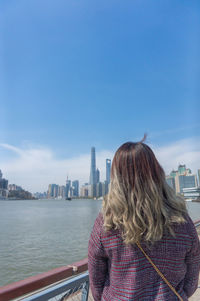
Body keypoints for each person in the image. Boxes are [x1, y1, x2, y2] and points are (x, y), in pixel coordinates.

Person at [88, 137, 200, 300]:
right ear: (157, 172)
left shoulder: (107, 222)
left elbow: (96, 282)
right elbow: (192, 278)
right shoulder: (181, 219)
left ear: (116, 178)